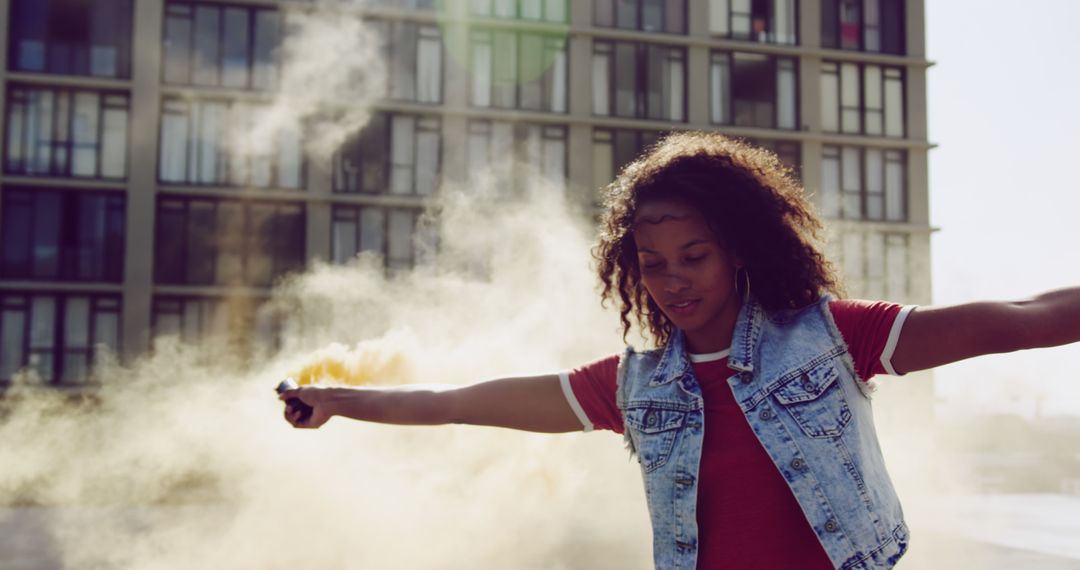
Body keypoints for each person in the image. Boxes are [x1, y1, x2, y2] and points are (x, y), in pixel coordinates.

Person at [279, 132, 1080, 569]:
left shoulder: (833, 337)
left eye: (693, 256)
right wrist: (337, 400)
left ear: (738, 248)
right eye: (652, 264)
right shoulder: (633, 387)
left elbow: (1019, 317)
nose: (673, 281)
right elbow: (452, 404)